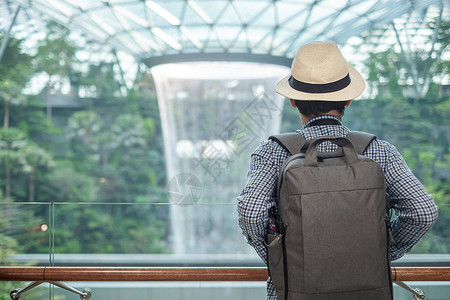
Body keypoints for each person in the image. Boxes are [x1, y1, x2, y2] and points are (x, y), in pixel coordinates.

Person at [237, 41, 438, 300]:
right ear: (349, 99)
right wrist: (381, 250)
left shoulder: (272, 152)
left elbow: (251, 212)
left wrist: (281, 256)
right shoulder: (379, 151)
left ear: (293, 101)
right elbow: (422, 211)